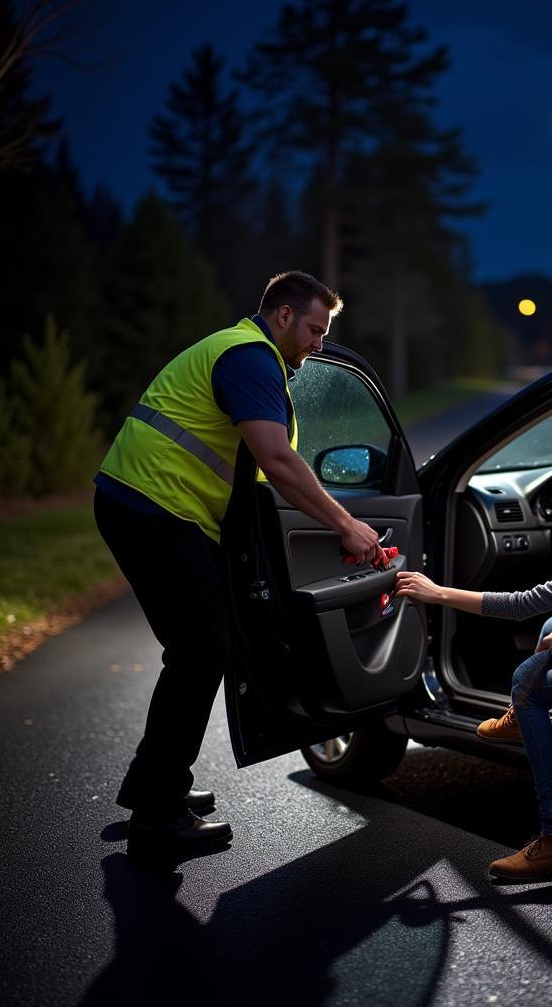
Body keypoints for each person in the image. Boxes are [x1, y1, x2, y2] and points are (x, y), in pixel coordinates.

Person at [94, 270, 383, 857]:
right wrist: (348, 526)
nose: (318, 344)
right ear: (283, 316)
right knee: (203, 649)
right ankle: (157, 817)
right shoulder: (251, 358)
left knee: (198, 648)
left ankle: (154, 783)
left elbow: (258, 475)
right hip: (154, 505)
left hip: (150, 504)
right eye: (314, 329)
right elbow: (276, 461)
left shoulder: (249, 355)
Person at [394, 428, 552, 882]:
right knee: (551, 629)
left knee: (527, 687)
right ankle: (520, 719)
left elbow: (525, 601)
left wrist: (438, 592)